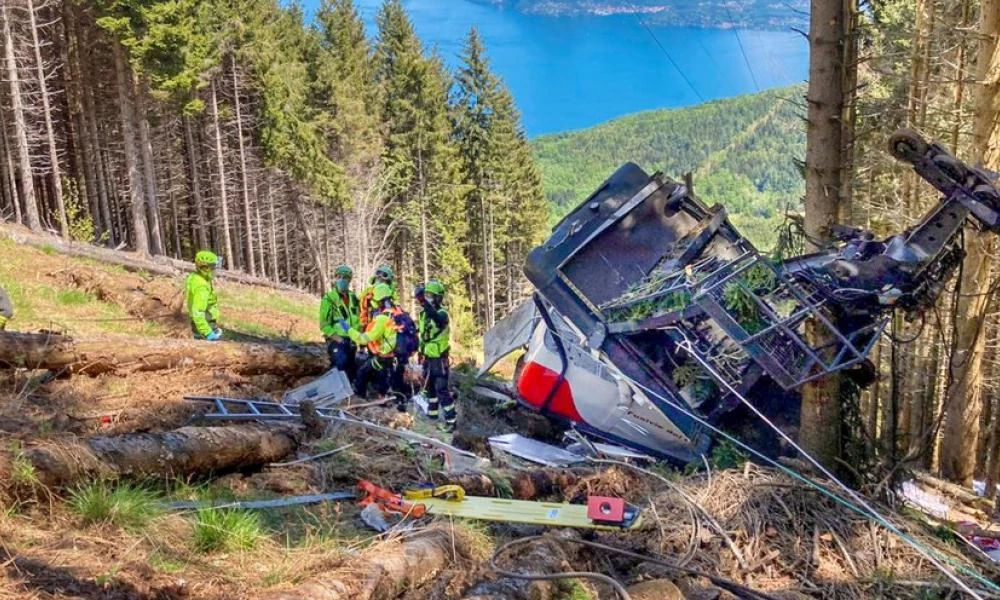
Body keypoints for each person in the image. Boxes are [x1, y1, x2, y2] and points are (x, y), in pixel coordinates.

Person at [415, 279, 455, 432]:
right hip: (427, 357)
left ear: (438, 298)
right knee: (430, 389)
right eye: (426, 295)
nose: (428, 298)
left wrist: (423, 301)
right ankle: (432, 416)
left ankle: (451, 422)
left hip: (439, 359)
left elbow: (437, 320)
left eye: (431, 296)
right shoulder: (423, 314)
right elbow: (424, 334)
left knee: (441, 389)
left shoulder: (442, 314)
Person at [348, 283, 398, 398]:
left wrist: (349, 330)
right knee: (382, 377)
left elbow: (365, 339)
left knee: (362, 373)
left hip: (383, 357)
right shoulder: (396, 313)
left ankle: (360, 398)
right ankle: (383, 397)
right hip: (392, 356)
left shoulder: (382, 318)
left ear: (379, 300)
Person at [319, 265, 361, 380]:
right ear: (336, 278)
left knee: (351, 368)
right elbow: (324, 324)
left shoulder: (353, 297)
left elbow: (358, 318)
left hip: (352, 339)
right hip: (337, 340)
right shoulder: (329, 299)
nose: (342, 280)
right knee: (340, 363)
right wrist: (338, 339)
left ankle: (352, 394)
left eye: (345, 277)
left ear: (349, 280)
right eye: (340, 277)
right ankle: (337, 392)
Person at [186, 250, 222, 341]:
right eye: (213, 267)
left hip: (203, 324)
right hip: (206, 325)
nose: (215, 270)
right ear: (205, 268)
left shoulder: (197, 278)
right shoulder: (201, 287)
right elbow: (197, 311)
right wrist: (208, 333)